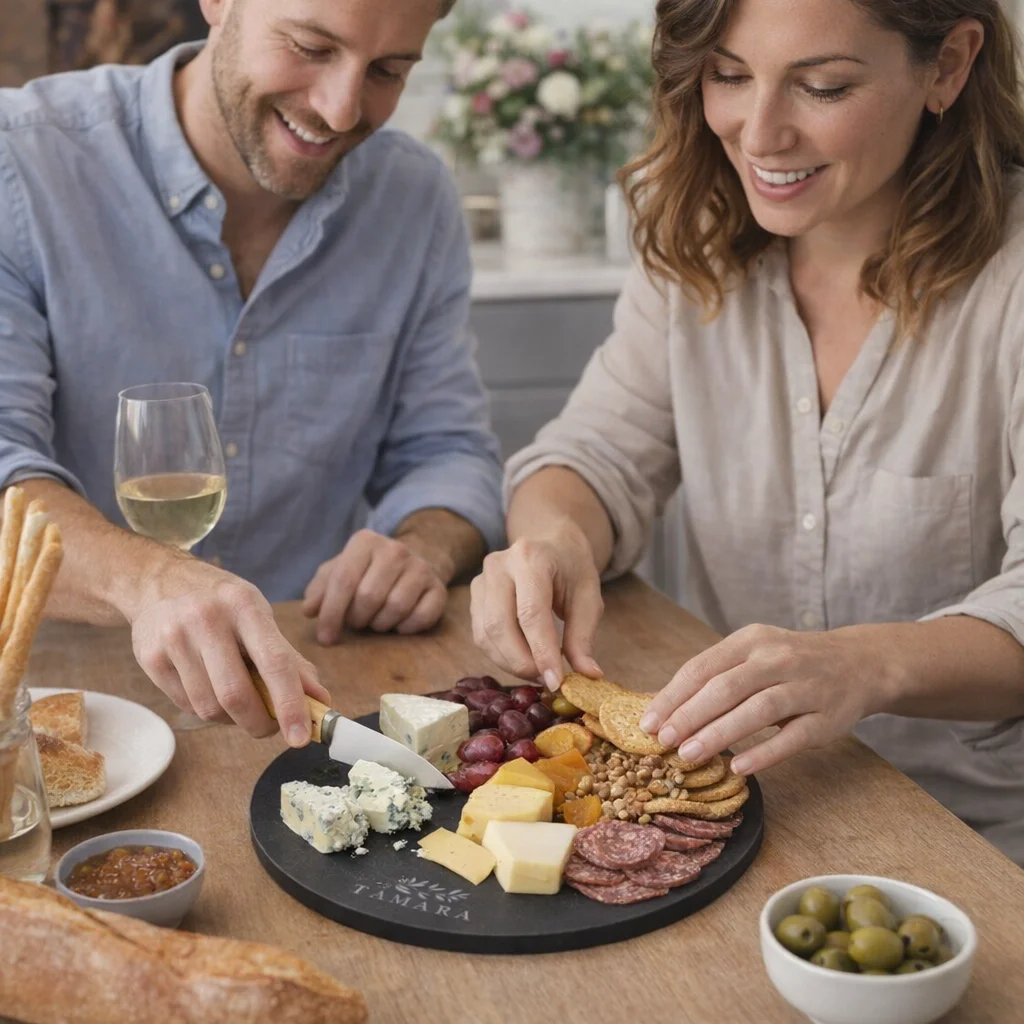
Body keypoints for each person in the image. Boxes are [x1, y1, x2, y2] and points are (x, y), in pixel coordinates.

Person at [471, 0, 1024, 864]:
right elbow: (593, 452)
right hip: (753, 821)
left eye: (823, 86)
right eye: (728, 77)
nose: (759, 134)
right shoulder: (696, 245)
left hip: (986, 840)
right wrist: (554, 542)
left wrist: (869, 666)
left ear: (948, 66)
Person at [0, 0, 505, 747]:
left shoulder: (414, 199)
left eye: (388, 70)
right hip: (60, 711)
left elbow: (450, 452)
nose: (339, 110)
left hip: (309, 699)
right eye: (310, 47)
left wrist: (422, 544)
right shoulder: (22, 162)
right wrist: (151, 581)